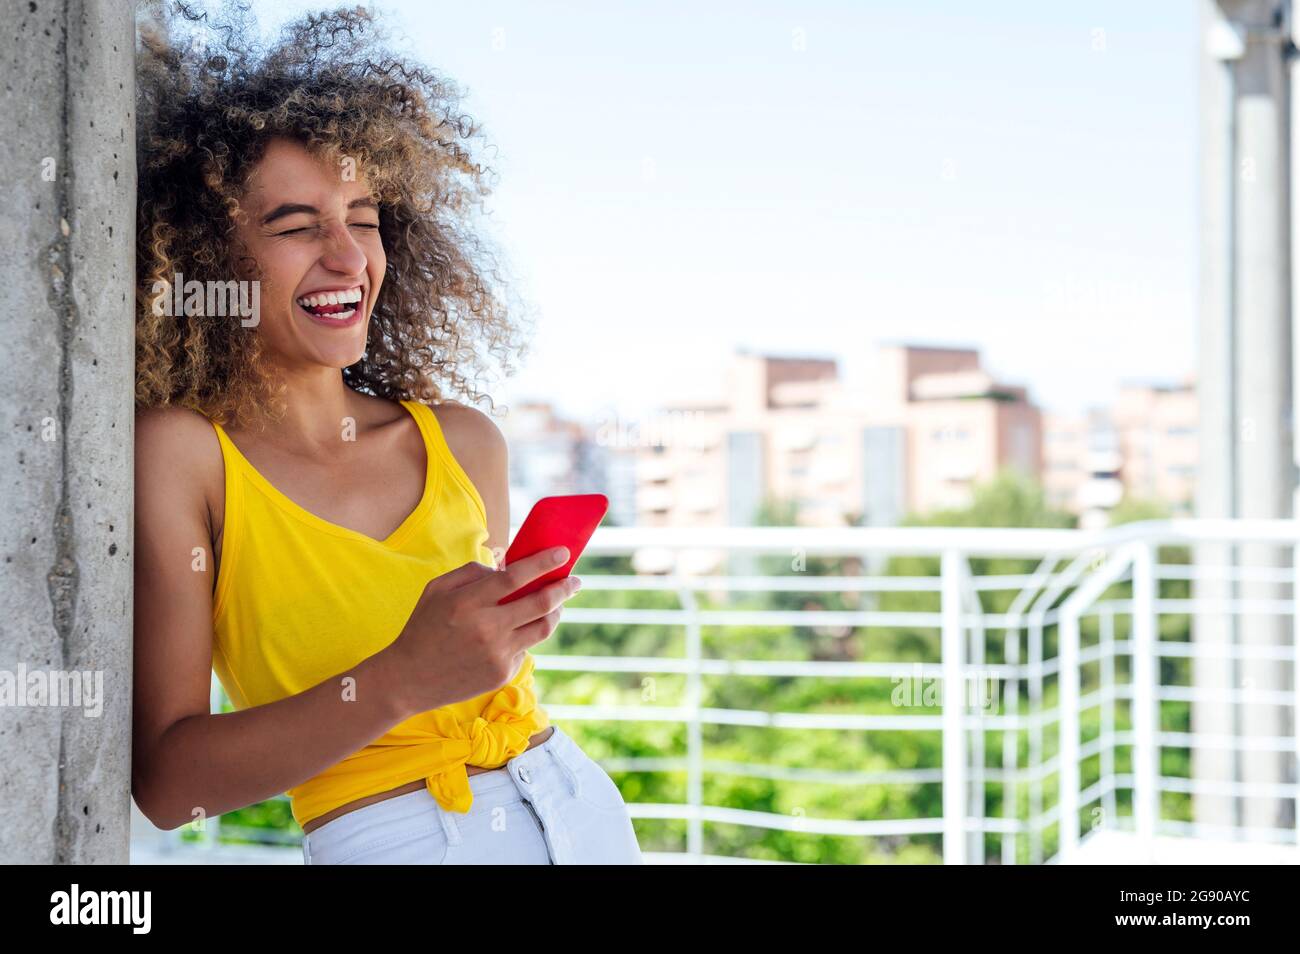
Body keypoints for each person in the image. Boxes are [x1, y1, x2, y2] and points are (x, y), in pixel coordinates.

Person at [130, 3, 642, 865]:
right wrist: (400, 680)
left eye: (364, 217)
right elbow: (169, 787)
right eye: (295, 225)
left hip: (573, 802)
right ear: (200, 260)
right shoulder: (184, 456)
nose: (346, 254)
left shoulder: (465, 442)